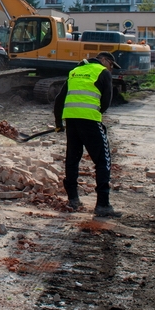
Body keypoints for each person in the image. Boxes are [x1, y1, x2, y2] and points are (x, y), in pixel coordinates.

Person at [53, 51, 122, 217]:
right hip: (90, 121)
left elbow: (59, 99)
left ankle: (73, 199)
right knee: (103, 160)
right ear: (104, 60)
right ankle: (103, 205)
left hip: (71, 120)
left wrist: (58, 124)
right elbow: (106, 102)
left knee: (73, 158)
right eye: (111, 65)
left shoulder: (75, 72)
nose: (111, 69)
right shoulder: (103, 72)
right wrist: (95, 115)